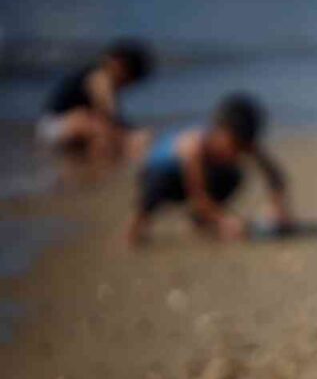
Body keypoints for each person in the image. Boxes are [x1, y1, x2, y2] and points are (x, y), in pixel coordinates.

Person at [126, 93, 291, 244]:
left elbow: (273, 173)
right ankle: (138, 222)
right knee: (161, 180)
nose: (237, 152)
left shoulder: (241, 142)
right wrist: (225, 220)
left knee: (233, 175)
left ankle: (202, 221)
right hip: (161, 178)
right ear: (221, 131)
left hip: (198, 180)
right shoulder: (194, 146)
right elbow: (198, 197)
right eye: (235, 145)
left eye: (242, 147)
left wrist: (279, 207)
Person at [37, 39, 155, 160]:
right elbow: (108, 113)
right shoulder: (100, 78)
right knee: (98, 127)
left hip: (62, 127)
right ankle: (101, 164)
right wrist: (129, 133)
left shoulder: (101, 78)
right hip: (57, 126)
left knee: (102, 127)